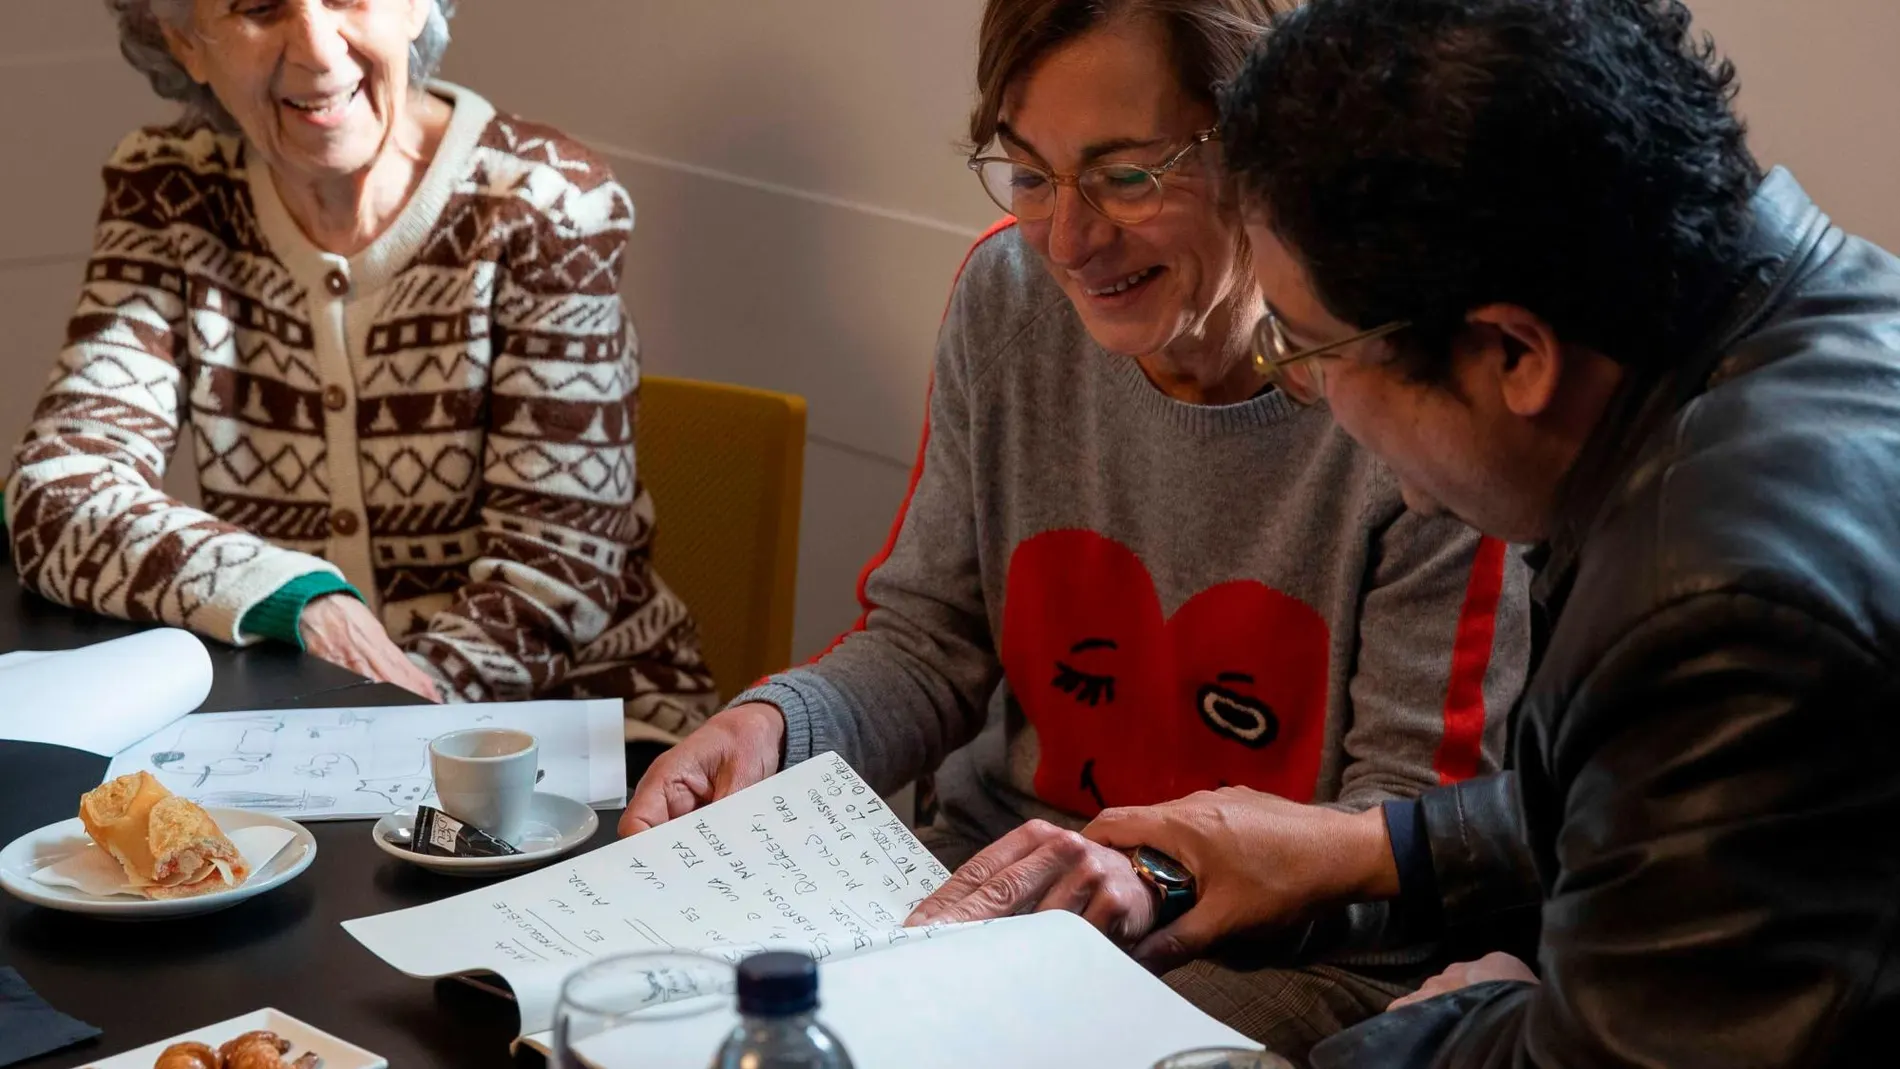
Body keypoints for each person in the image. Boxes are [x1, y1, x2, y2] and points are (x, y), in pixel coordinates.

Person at [622, 0, 1531, 1053]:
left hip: (1283, 961)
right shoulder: (1006, 297)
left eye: (1125, 174)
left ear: (1265, 148)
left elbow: (1413, 836)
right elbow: (929, 640)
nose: (1067, 235)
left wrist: (1154, 875)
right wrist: (780, 727)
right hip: (984, 895)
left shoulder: (1401, 393)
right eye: (1027, 173)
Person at [1088, 0, 1900, 1064]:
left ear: (1513, 352)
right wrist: (1370, 848)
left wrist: (1450, 1018)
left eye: (1316, 346)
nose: (1317, 394)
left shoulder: (1712, 607)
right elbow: (1686, 807)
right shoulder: (1812, 302)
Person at [7, 0, 719, 738]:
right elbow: (55, 496)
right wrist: (294, 595)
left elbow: (554, 580)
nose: (317, 50)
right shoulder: (168, 192)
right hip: (319, 735)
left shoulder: (547, 205)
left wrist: (378, 729)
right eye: (258, 8)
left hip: (589, 727)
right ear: (184, 42)